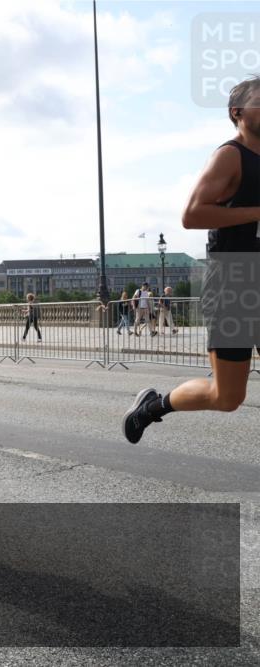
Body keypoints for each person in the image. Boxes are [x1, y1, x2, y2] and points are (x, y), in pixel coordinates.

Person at [124, 75, 260, 444]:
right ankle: (153, 406)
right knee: (227, 397)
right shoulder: (231, 156)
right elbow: (193, 215)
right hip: (236, 283)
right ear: (238, 112)